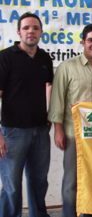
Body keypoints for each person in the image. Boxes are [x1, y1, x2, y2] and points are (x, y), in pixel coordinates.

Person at [48, 24, 92, 217]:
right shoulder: (66, 68)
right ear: (83, 42)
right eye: (91, 40)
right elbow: (57, 100)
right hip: (72, 134)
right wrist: (58, 130)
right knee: (71, 182)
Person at [0, 12, 53, 217]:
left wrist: (50, 114)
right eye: (26, 28)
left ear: (40, 32)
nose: (31, 31)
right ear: (18, 31)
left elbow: (49, 86)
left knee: (39, 181)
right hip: (12, 132)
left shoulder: (44, 58)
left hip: (40, 131)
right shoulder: (5, 57)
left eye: (35, 28)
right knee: (11, 185)